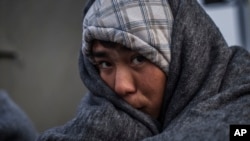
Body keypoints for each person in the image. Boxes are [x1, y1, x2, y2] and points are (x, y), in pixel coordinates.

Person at [37, 0, 250, 140]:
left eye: (139, 58)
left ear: (185, 52)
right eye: (105, 64)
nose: (120, 86)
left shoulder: (240, 103)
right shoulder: (95, 121)